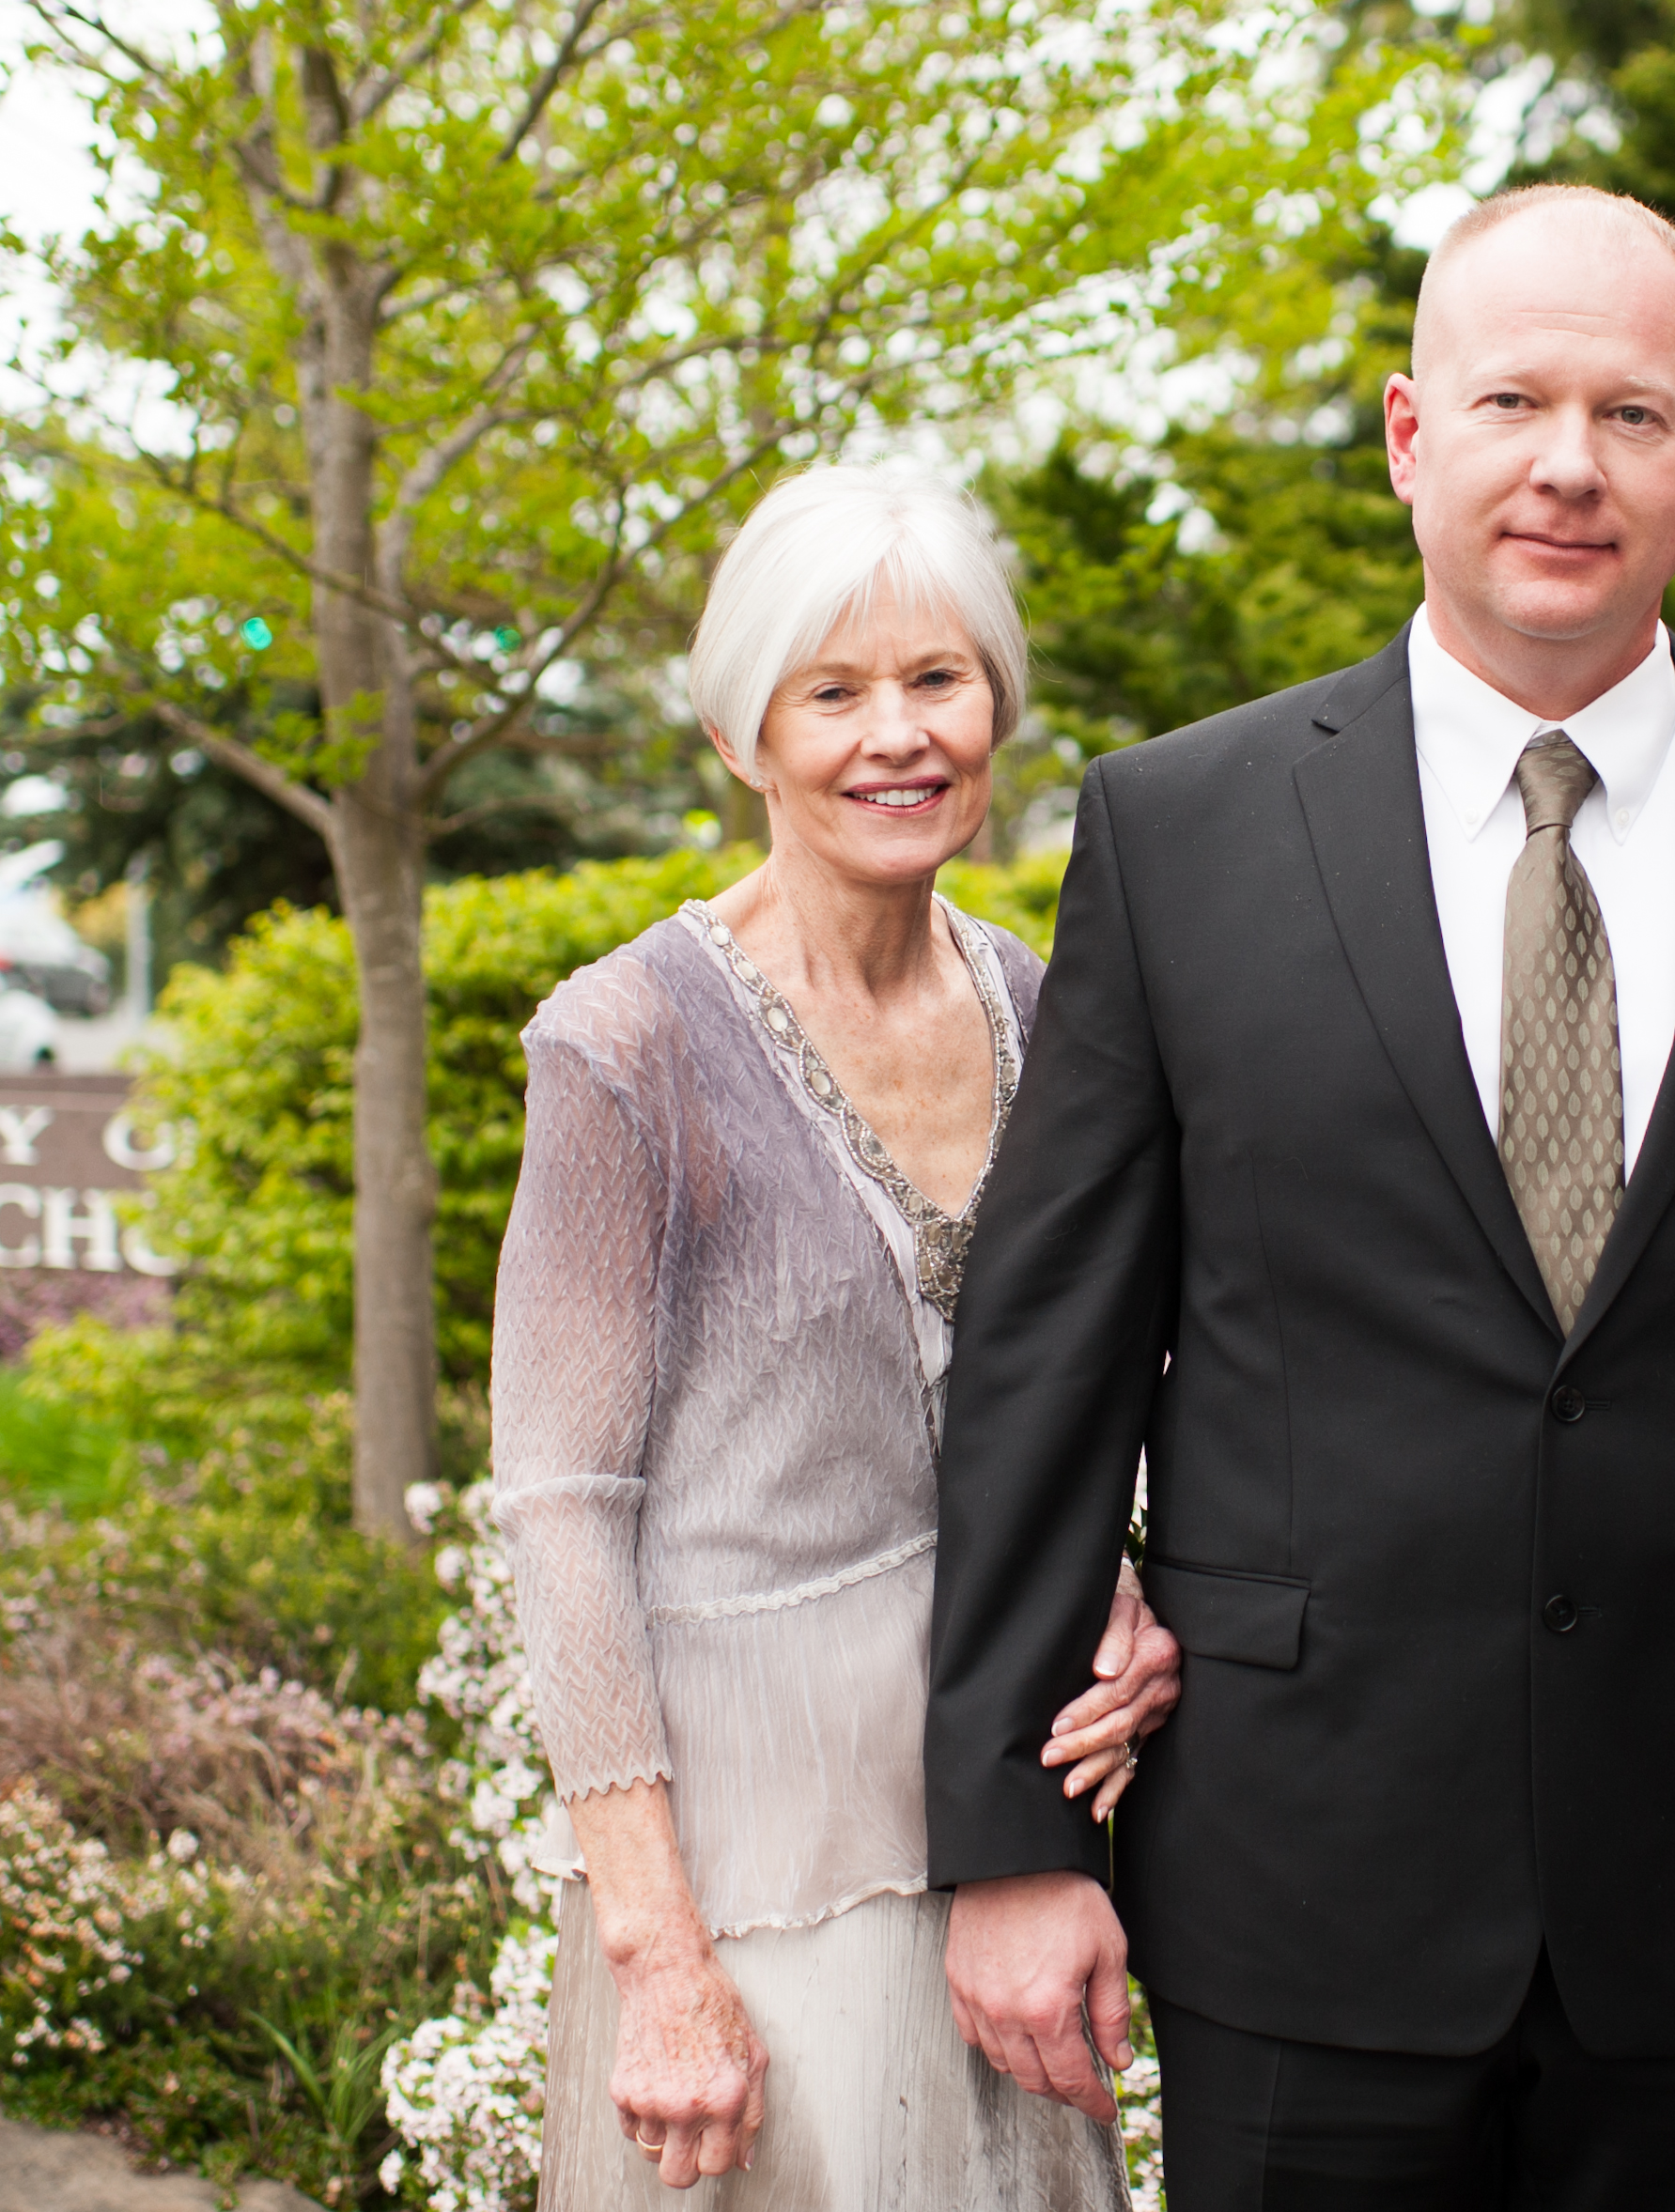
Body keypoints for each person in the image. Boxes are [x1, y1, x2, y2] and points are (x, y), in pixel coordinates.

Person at [924, 183, 1675, 2209]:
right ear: (1415, 436)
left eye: (1631, 414)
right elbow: (1045, 1354)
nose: (1568, 465)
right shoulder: (1185, 826)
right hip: (1296, 1883)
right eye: (1513, 400)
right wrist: (1014, 1830)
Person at [491, 464, 1184, 2208]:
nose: (900, 734)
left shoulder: (1046, 1006)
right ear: (745, 736)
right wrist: (658, 1966)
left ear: (999, 706)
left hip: (1005, 1818)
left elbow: (1107, 1381)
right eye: (835, 690)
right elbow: (561, 1512)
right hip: (755, 1867)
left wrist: (1133, 1590)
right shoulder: (625, 1046)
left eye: (940, 679)